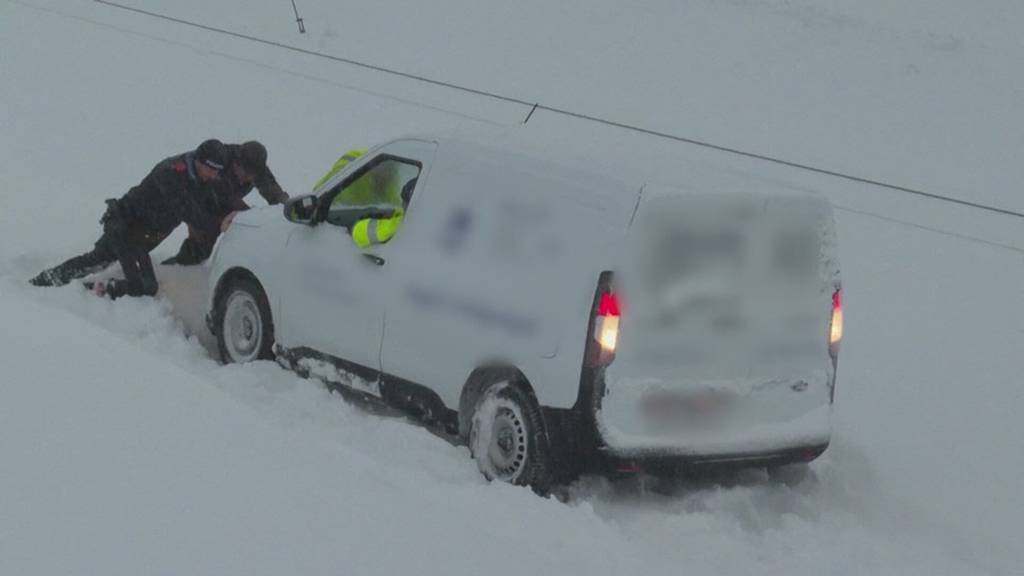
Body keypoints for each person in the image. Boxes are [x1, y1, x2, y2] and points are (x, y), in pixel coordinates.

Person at [29, 140, 230, 298]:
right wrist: (218, 224)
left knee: (111, 265)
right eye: (210, 169)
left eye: (217, 171)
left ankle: (77, 287)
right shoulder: (171, 173)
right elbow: (186, 210)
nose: (213, 175)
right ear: (198, 160)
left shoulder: (202, 178)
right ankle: (55, 285)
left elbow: (221, 198)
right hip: (124, 225)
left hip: (141, 234)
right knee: (135, 281)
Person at [163, 140, 289, 265]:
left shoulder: (258, 169)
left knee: (246, 232)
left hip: (230, 202)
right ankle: (180, 267)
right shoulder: (220, 160)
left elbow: (274, 191)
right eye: (244, 172)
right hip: (201, 200)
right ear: (236, 163)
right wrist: (250, 215)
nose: (246, 178)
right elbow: (226, 196)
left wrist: (288, 207)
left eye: (251, 176)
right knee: (202, 243)